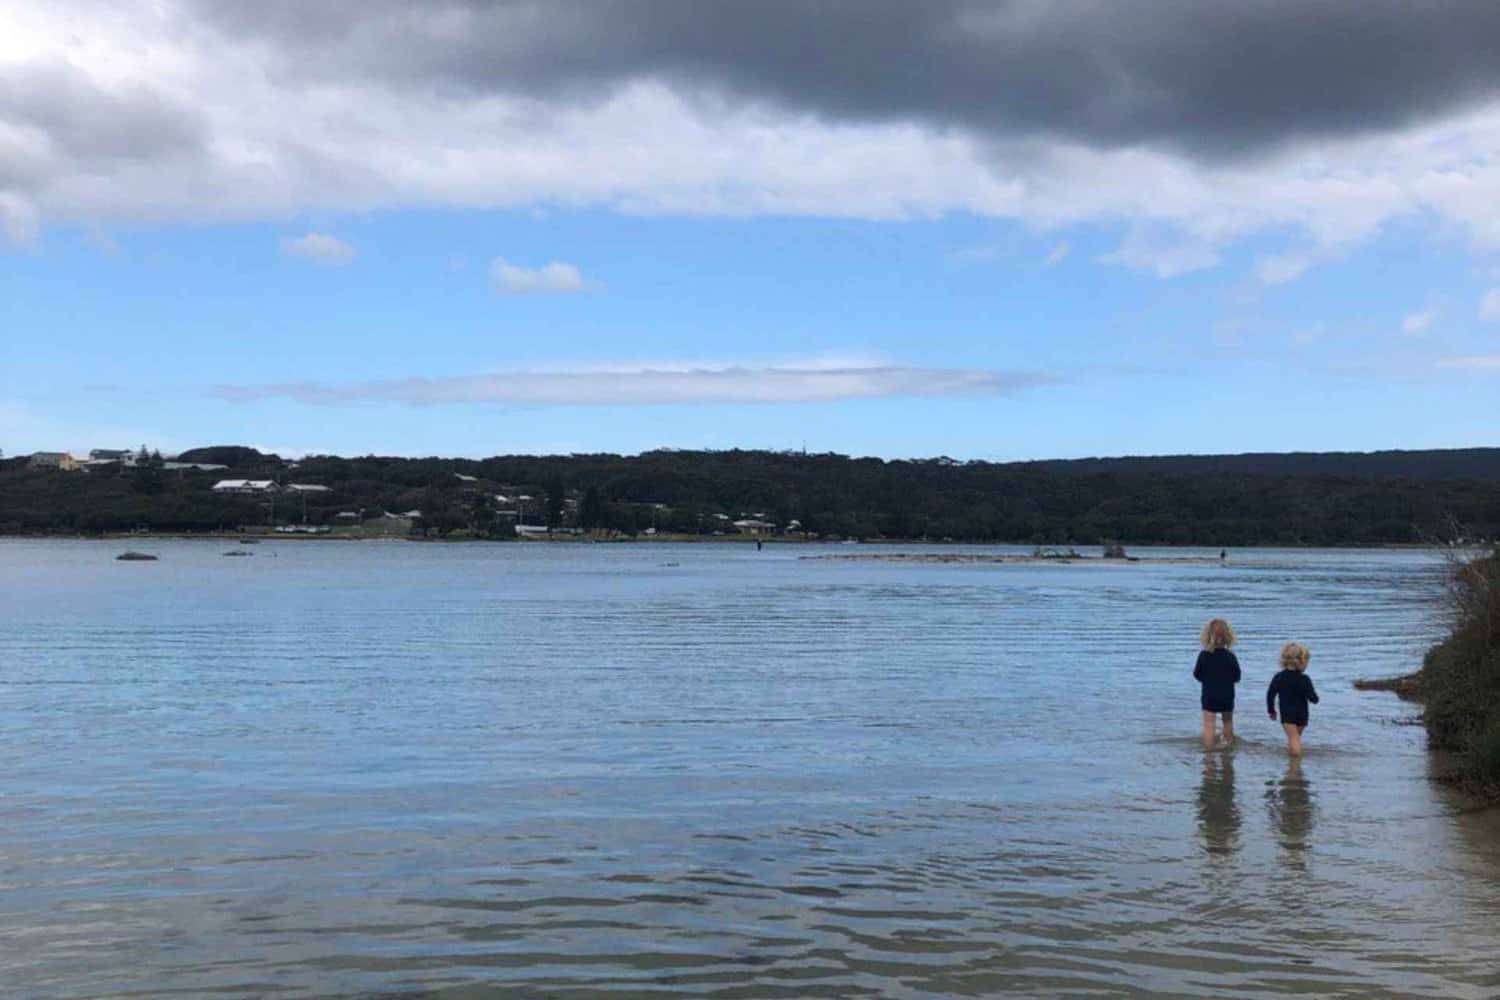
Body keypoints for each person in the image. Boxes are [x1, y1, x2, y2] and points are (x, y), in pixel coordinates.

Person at [1194, 618, 1241, 748]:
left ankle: (1208, 753)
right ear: (1228, 637)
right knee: (1227, 721)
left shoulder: (1204, 655)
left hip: (1209, 694)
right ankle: (1228, 748)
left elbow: (1197, 674)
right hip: (1227, 695)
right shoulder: (1230, 656)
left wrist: (1207, 680)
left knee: (1209, 724)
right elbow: (1237, 676)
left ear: (1207, 636)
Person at [1267, 642, 1319, 756]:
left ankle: (1294, 762)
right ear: (1302, 661)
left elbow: (1270, 694)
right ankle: (1294, 763)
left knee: (1293, 737)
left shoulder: (1279, 677)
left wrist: (1271, 710)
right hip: (1302, 714)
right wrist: (1314, 698)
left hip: (1287, 714)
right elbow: (1313, 698)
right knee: (1296, 737)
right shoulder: (1305, 679)